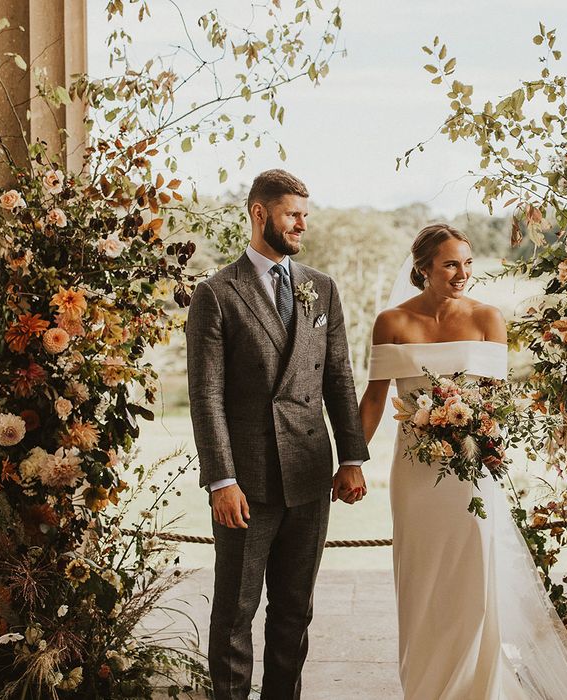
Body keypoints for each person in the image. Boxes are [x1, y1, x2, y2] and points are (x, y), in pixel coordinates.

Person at [359, 224, 567, 699]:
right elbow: (372, 400)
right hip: (414, 475)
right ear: (424, 268)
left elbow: (494, 402)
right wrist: (350, 462)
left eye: (467, 263)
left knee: (472, 577)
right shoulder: (392, 322)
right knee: (421, 580)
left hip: (470, 473)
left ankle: (477, 690)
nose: (461, 273)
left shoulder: (488, 318)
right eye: (450, 264)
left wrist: (479, 434)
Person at [186, 169, 369, 700]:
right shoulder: (216, 294)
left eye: (305, 217)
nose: (301, 226)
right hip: (247, 484)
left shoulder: (322, 288)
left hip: (311, 475)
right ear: (259, 213)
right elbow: (206, 396)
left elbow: (338, 376)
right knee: (236, 613)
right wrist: (221, 480)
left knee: (293, 613)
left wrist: (352, 458)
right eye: (293, 215)